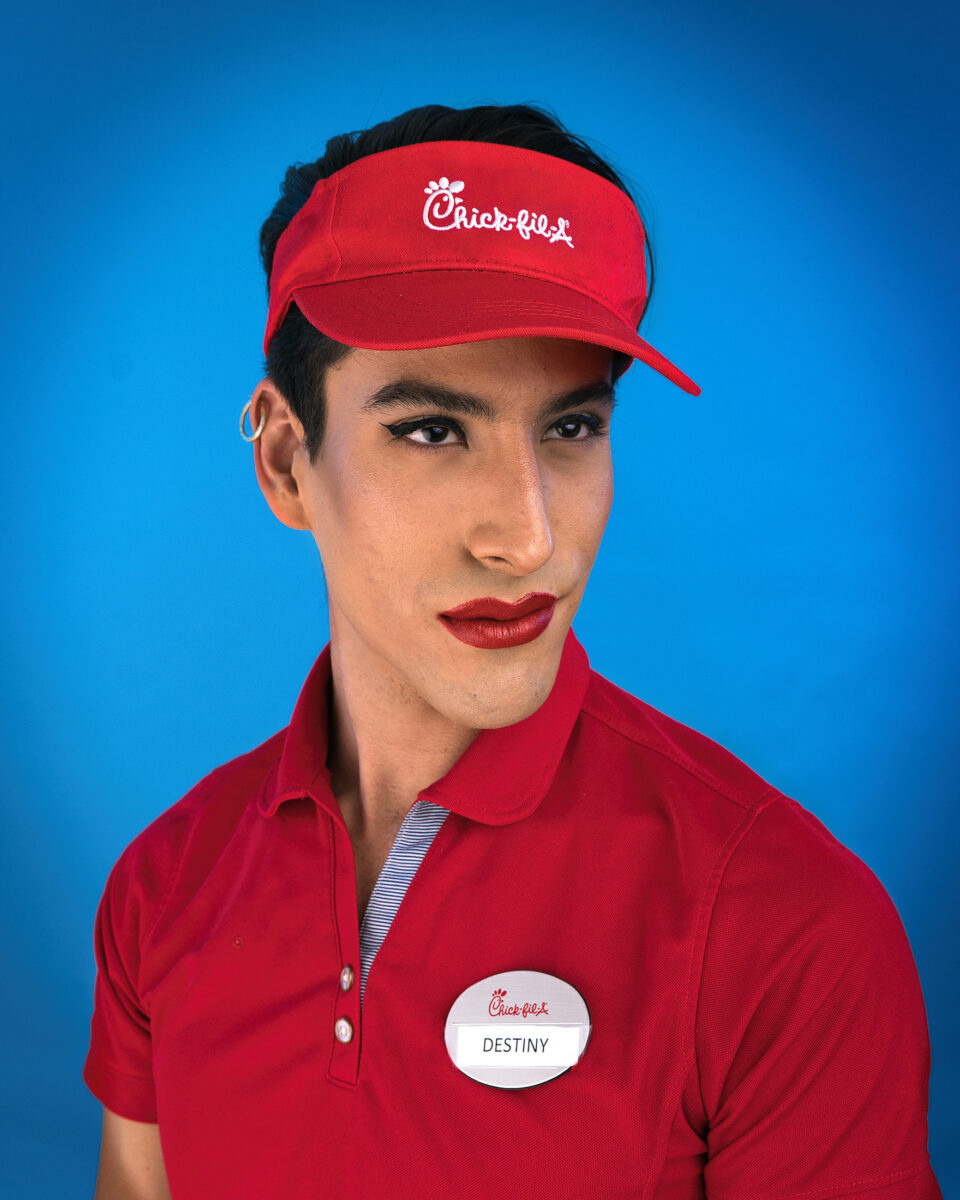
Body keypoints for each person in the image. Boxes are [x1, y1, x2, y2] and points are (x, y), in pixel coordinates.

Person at [83, 102, 941, 1199]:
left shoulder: (786, 928)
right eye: (434, 431)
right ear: (289, 461)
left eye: (572, 427)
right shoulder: (163, 888)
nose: (528, 537)